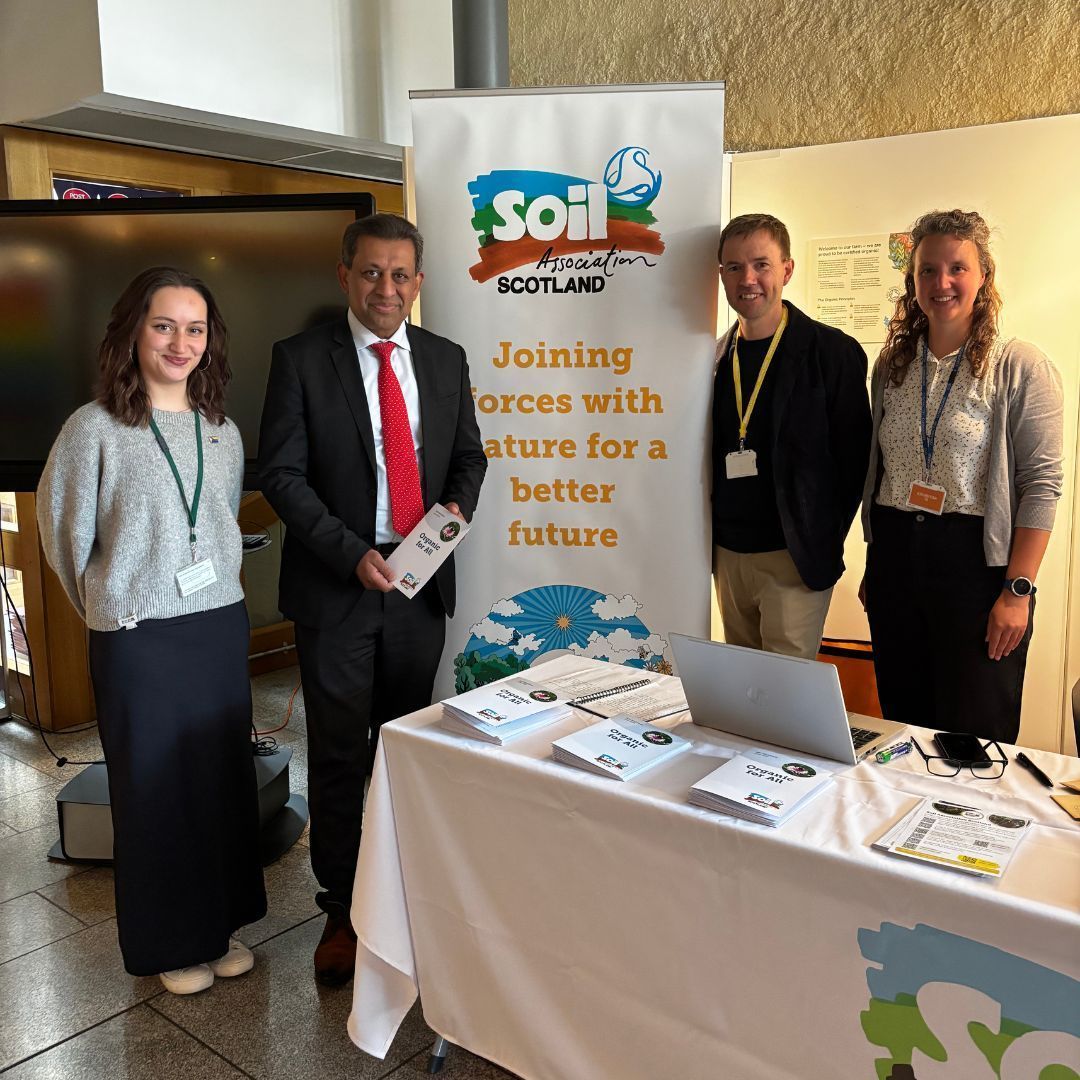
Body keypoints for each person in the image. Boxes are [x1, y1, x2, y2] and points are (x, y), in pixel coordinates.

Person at [258, 213, 487, 986]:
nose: (385, 288)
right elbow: (282, 476)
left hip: (419, 586)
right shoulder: (300, 361)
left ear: (418, 284)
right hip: (339, 583)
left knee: (400, 748)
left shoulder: (446, 359)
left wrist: (453, 514)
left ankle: (400, 898)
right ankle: (341, 912)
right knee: (335, 753)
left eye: (400, 275)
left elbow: (468, 457)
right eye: (371, 273)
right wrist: (350, 552)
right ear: (345, 275)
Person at [36, 267, 267, 995]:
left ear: (210, 340)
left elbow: (216, 520)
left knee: (218, 783)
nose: (179, 342)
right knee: (156, 791)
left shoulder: (222, 433)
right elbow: (62, 535)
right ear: (133, 332)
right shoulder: (93, 429)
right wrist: (109, 608)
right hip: (140, 638)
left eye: (194, 328)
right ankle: (172, 944)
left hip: (216, 630)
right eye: (163, 325)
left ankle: (219, 926)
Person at [861, 209, 1063, 744]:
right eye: (927, 270)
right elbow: (881, 472)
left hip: (976, 567)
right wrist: (878, 565)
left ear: (983, 277)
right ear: (912, 281)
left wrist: (1017, 591)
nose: (941, 282)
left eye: (957, 268)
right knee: (903, 727)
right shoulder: (892, 366)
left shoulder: (1019, 366)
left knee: (974, 737)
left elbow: (1041, 486)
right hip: (897, 560)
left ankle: (967, 830)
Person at [712, 213, 871, 659]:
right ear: (721, 274)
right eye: (734, 267)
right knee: (740, 688)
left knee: (783, 695)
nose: (749, 279)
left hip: (793, 557)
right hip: (727, 556)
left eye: (761, 264)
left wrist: (818, 534)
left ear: (787, 269)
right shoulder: (716, 358)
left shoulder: (833, 353)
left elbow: (854, 462)